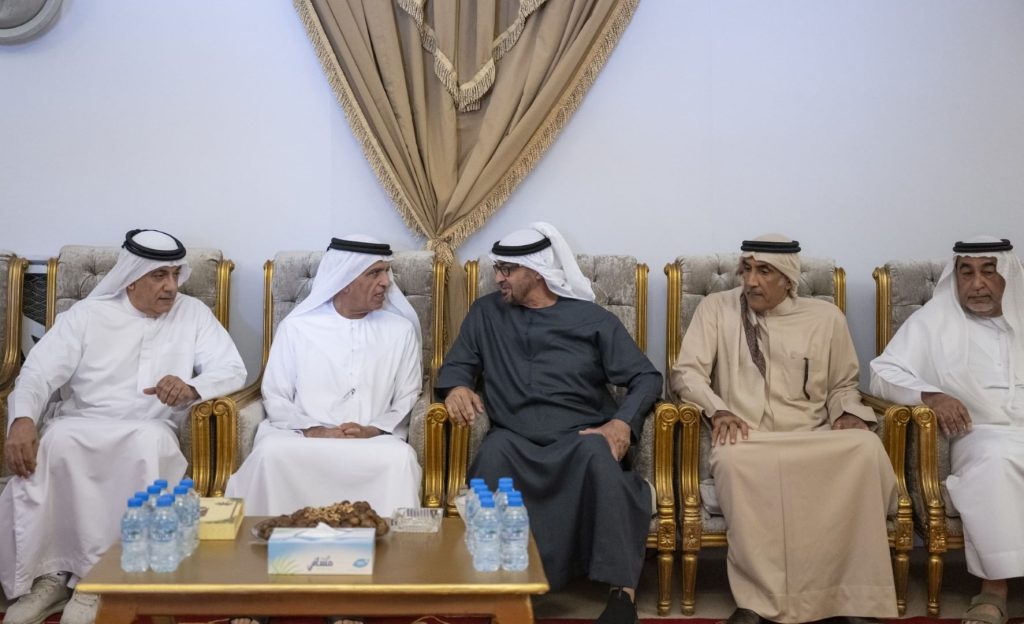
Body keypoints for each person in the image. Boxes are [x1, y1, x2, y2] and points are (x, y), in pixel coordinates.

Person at [0, 229, 247, 624]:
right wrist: (23, 419)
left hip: (151, 426)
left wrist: (191, 387)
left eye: (175, 275)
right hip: (80, 422)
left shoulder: (193, 314)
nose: (171, 286)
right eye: (159, 276)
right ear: (131, 277)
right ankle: (50, 577)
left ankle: (102, 581)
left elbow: (232, 368)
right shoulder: (86, 316)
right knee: (54, 442)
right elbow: (37, 374)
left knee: (146, 445)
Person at [437, 222, 662, 624]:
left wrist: (621, 423)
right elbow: (458, 364)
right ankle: (500, 588)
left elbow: (646, 377)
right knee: (492, 455)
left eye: (507, 270)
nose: (498, 278)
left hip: (581, 436)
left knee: (597, 454)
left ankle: (622, 594)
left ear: (536, 272)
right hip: (514, 438)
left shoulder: (591, 319)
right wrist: (456, 387)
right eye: (497, 269)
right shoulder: (485, 314)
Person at [670, 234, 897, 624]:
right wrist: (718, 409)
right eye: (747, 270)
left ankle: (850, 600)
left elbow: (844, 384)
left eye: (764, 271)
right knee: (732, 461)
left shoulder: (826, 318)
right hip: (748, 437)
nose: (751, 281)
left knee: (864, 448)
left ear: (788, 279)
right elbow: (686, 374)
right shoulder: (717, 309)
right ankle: (757, 603)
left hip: (811, 436)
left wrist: (847, 413)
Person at [870, 235, 1024, 624]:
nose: (977, 284)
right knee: (995, 461)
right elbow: (883, 374)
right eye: (966, 273)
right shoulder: (936, 319)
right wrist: (931, 395)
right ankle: (994, 591)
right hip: (980, 432)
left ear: (1007, 275)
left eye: (988, 272)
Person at [225, 235, 422, 517]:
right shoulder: (297, 327)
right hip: (302, 436)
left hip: (372, 441)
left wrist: (372, 430)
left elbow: (407, 396)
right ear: (345, 279)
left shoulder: (400, 330)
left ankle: (388, 544)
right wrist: (314, 429)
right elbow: (276, 394)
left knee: (400, 460)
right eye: (374, 273)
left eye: (386, 272)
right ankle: (275, 538)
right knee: (270, 454)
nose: (386, 282)